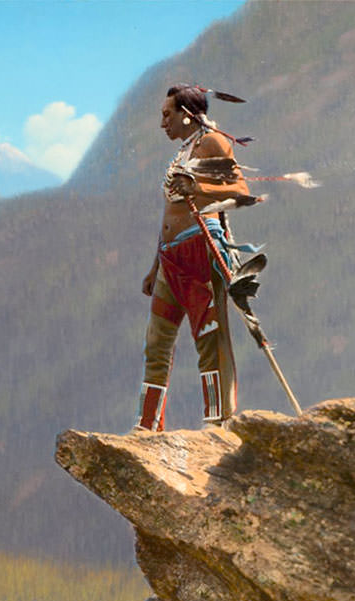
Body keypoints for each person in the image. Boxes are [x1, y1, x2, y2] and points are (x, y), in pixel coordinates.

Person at [135, 83, 252, 432]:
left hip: (200, 251)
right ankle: (147, 426)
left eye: (167, 115)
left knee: (208, 342)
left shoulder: (213, 141)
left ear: (187, 115)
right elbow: (170, 211)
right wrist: (154, 266)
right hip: (170, 260)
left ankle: (217, 423)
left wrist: (198, 188)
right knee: (157, 343)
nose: (162, 124)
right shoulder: (184, 150)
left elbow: (239, 191)